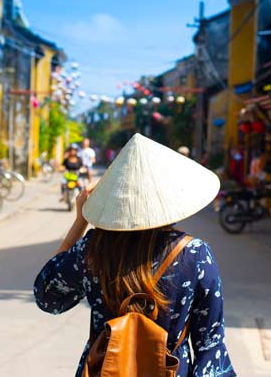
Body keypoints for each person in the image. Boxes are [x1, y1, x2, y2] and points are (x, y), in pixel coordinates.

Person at [34, 133, 235, 377]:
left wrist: (79, 223)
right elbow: (210, 346)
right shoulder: (195, 255)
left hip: (105, 370)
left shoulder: (92, 249)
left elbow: (48, 296)